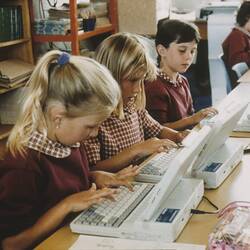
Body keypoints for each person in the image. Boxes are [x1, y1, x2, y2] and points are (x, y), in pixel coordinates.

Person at [0, 50, 141, 250]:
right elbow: (10, 244)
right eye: (91, 126)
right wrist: (66, 206)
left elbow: (61, 186)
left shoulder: (70, 141)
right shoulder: (23, 166)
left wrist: (94, 177)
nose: (94, 134)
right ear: (58, 117)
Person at [84, 32, 188, 173]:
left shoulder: (133, 107)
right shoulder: (93, 120)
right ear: (109, 78)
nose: (138, 89)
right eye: (132, 80)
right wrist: (137, 150)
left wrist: (178, 136)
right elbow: (93, 170)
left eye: (142, 80)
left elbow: (158, 129)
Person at [145, 19, 217, 130]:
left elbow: (189, 117)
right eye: (182, 50)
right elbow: (159, 130)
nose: (189, 57)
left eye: (192, 51)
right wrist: (193, 119)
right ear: (162, 50)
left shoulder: (182, 81)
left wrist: (201, 118)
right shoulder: (154, 86)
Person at [222, 1, 250, 69]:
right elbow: (236, 60)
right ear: (247, 17)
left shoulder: (245, 34)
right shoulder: (237, 35)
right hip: (241, 77)